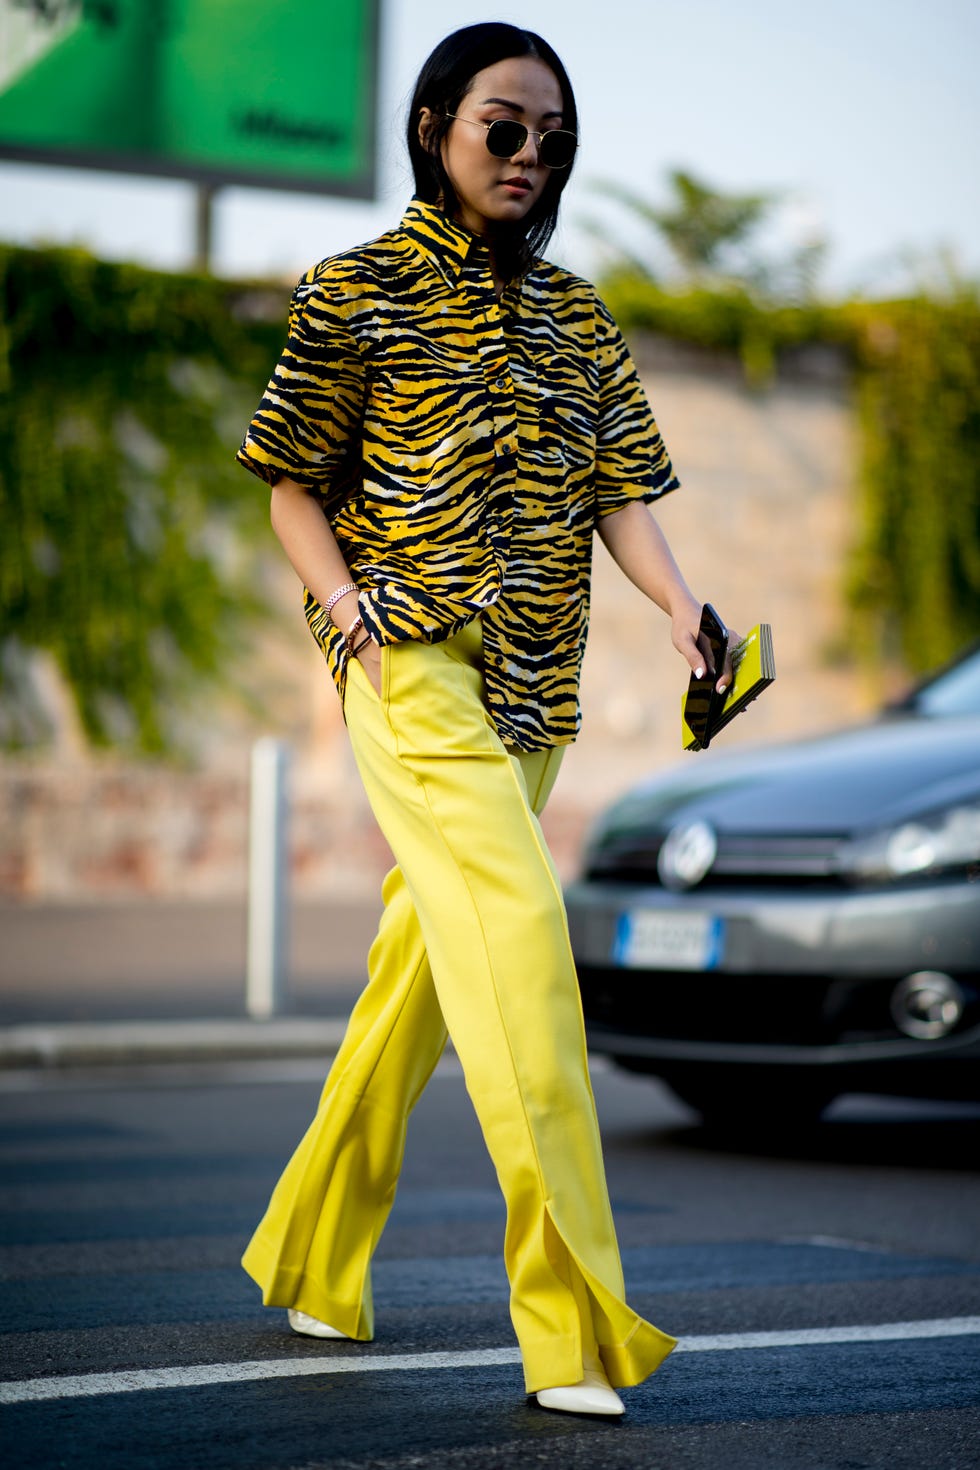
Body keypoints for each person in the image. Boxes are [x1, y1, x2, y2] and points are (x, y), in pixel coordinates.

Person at [236, 22, 730, 1418]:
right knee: (521, 952)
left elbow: (619, 491)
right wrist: (344, 610)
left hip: (532, 687)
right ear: (439, 124)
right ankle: (571, 1322)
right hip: (411, 668)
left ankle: (317, 1258)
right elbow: (288, 479)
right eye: (502, 127)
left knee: (420, 974)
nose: (528, 154)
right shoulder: (357, 290)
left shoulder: (579, 316)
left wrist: (680, 607)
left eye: (551, 137)